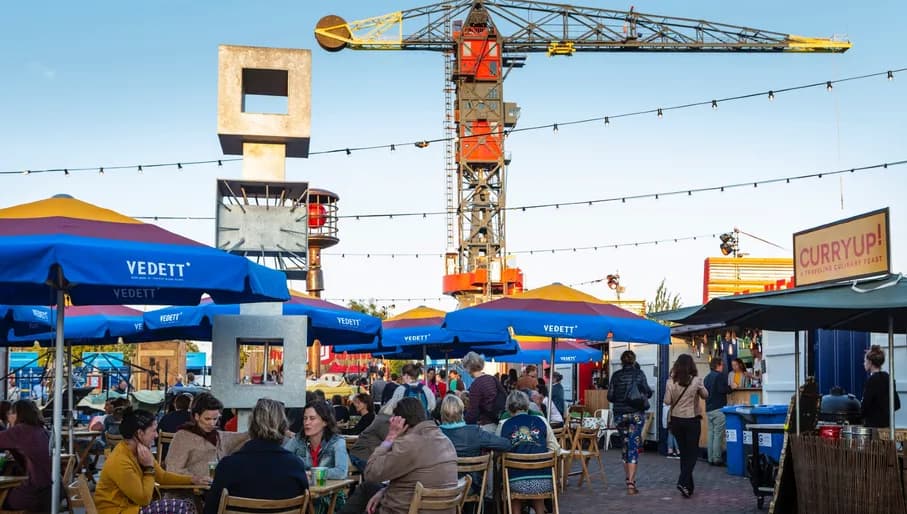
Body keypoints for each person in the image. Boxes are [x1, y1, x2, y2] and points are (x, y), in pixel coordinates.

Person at [204, 398, 308, 514]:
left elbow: (210, 510)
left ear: (251, 426)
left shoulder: (228, 466)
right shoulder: (295, 465)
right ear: (283, 427)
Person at [94, 407, 208, 514]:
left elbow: (162, 477)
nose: (156, 435)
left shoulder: (140, 452)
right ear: (140, 433)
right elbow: (144, 499)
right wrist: (148, 468)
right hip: (119, 511)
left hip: (133, 508)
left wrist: (192, 480)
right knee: (180, 507)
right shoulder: (120, 461)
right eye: (153, 430)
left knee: (187, 504)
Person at [364, 397, 458, 514]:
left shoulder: (409, 444)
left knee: (365, 489)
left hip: (409, 510)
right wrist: (384, 491)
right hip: (442, 509)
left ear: (400, 421)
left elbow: (370, 473)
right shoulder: (445, 440)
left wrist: (390, 437)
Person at [498, 391, 560, 514]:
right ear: (527, 405)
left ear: (508, 408)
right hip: (544, 482)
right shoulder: (541, 420)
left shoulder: (503, 425)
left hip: (516, 483)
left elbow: (499, 452)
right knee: (538, 472)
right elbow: (556, 450)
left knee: (511, 475)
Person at [439, 395, 510, 497]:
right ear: (462, 411)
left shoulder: (435, 433)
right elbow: (505, 444)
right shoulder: (474, 432)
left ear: (442, 413)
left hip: (443, 486)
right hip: (470, 486)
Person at [284, 401, 349, 514]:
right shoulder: (298, 440)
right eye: (305, 418)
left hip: (329, 498)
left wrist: (311, 473)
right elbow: (282, 460)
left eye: (312, 418)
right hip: (303, 495)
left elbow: (341, 471)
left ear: (324, 421)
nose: (307, 423)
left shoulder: (337, 442)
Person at [165, 393, 249, 478]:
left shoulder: (219, 436)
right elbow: (173, 469)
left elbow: (241, 437)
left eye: (215, 419)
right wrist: (195, 479)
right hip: (191, 488)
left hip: (216, 487)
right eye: (207, 419)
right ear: (197, 416)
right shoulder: (183, 436)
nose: (212, 423)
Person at [607, 350, 653, 495]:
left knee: (625, 446)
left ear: (621, 361)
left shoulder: (616, 375)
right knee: (633, 446)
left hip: (620, 415)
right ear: (634, 361)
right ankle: (631, 484)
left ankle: (628, 478)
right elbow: (648, 392)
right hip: (636, 415)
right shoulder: (639, 374)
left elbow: (610, 396)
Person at [665, 354, 709, 498]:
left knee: (684, 453)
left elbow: (666, 401)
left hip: (676, 420)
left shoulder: (671, 382)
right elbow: (705, 395)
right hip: (691, 420)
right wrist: (700, 386)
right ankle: (682, 480)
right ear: (691, 366)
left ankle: (688, 487)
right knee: (692, 453)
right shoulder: (696, 381)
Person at [0, 400, 51, 511]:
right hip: (52, 492)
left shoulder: (20, 430)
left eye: (10, 414)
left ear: (16, 414)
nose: (8, 418)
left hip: (33, 494)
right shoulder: (43, 431)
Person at [862, 344, 902, 428]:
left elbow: (864, 407)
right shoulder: (888, 377)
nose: (863, 363)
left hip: (873, 429)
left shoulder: (872, 380)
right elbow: (897, 404)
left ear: (870, 362)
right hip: (888, 428)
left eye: (865, 361)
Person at [463, 352, 506, 429]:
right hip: (500, 420)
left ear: (468, 368)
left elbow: (473, 412)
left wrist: (462, 422)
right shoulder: (492, 378)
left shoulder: (476, 385)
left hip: (486, 424)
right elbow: (504, 395)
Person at [703, 357, 731, 465]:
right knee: (718, 435)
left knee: (711, 434)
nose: (723, 367)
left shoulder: (706, 377)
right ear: (718, 365)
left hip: (709, 409)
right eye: (722, 365)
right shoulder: (719, 376)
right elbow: (722, 390)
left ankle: (710, 458)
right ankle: (717, 458)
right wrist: (731, 387)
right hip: (719, 408)